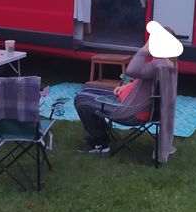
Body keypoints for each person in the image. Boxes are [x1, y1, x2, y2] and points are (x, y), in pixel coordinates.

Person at [74, 25, 180, 159]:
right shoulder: (169, 63)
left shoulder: (157, 65)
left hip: (130, 111)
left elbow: (131, 71)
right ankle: (101, 133)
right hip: (132, 103)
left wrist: (143, 51)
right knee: (88, 91)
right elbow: (143, 80)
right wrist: (127, 87)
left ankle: (100, 142)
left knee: (81, 99)